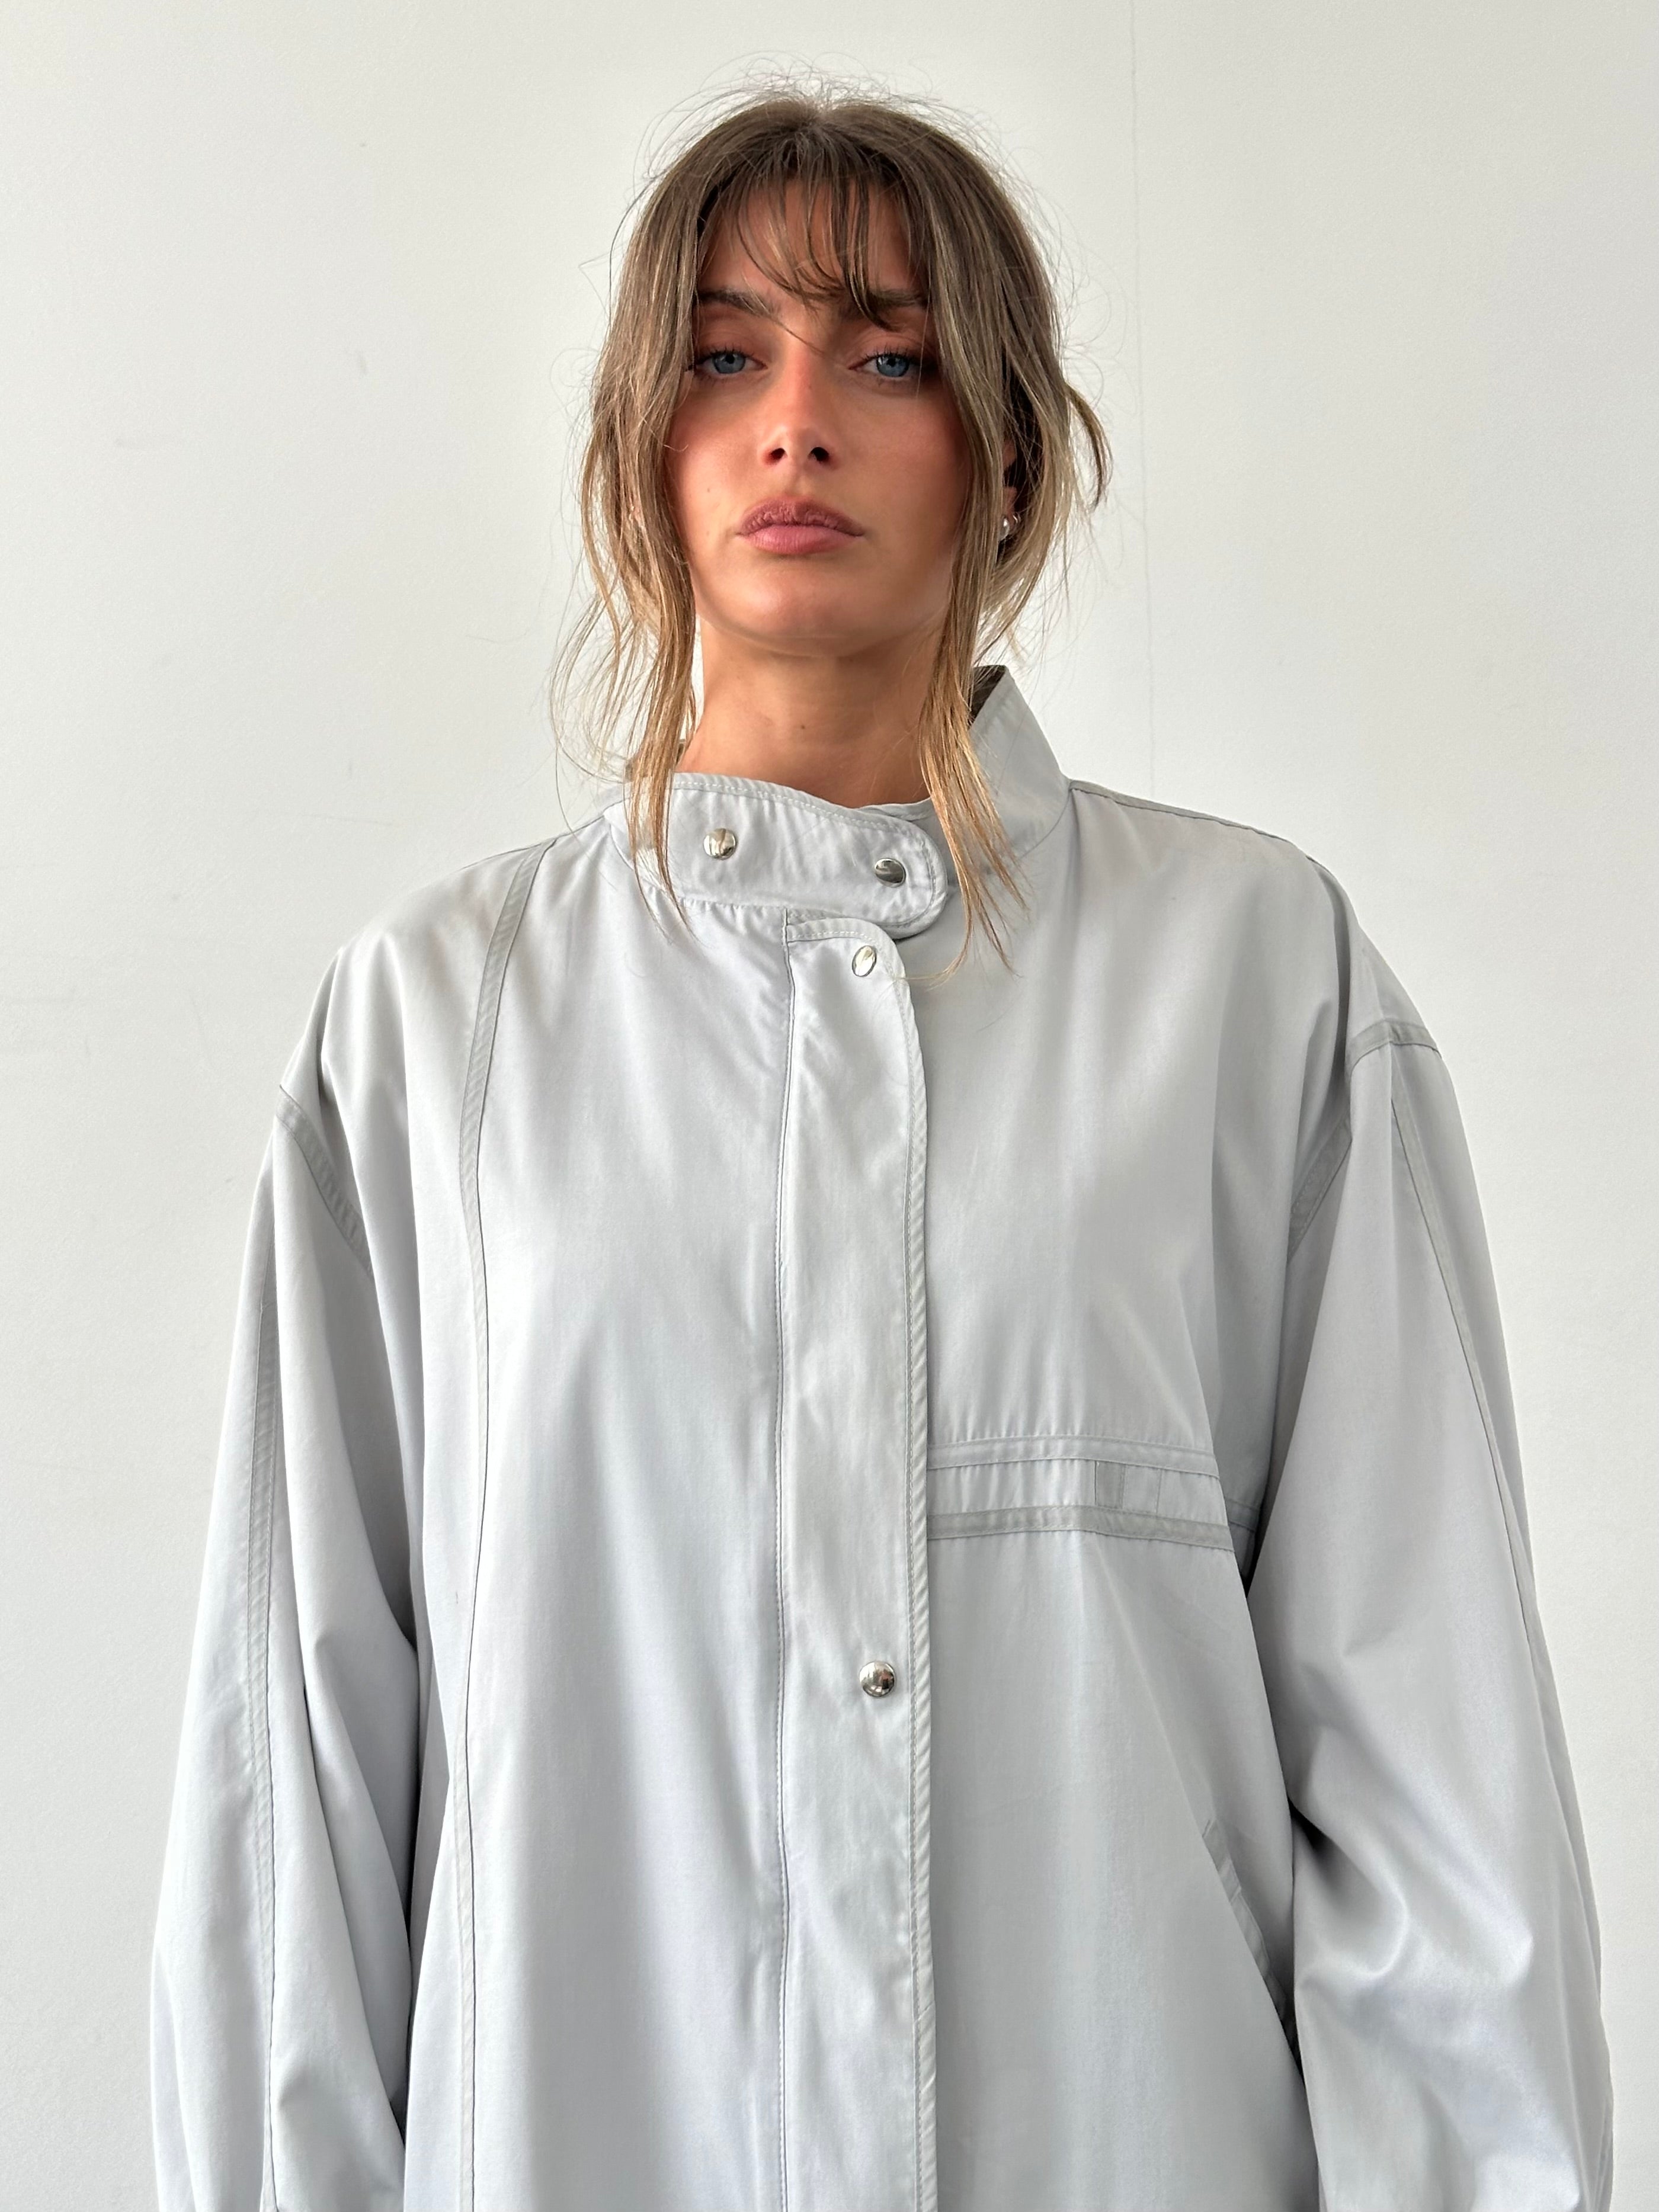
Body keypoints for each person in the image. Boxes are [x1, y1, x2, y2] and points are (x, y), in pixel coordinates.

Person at [151, 82, 1614, 2212]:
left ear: (1007, 452)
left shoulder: (1254, 986)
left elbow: (1434, 1776)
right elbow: (293, 1805)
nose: (795, 425)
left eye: (889, 356)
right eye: (723, 356)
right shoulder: (434, 1032)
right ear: (640, 452)